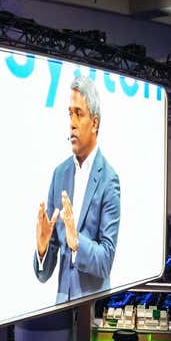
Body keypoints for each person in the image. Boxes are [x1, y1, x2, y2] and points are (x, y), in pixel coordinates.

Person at [32, 72, 119, 302]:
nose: (71, 123)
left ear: (95, 122)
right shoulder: (59, 174)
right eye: (69, 114)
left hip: (93, 306)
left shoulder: (109, 179)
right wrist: (42, 249)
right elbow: (44, 273)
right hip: (62, 306)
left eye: (78, 113)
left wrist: (76, 241)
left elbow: (105, 261)